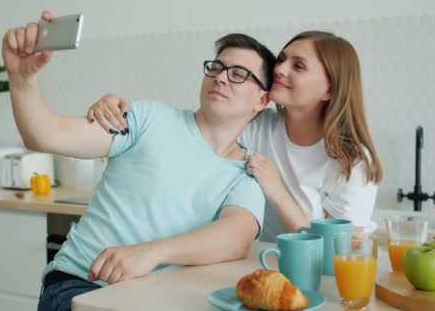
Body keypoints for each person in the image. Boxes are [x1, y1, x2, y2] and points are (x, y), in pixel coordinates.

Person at [2, 11, 277, 311]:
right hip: (80, 285)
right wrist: (21, 79)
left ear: (261, 101)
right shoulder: (148, 118)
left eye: (238, 74)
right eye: (216, 68)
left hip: (154, 299)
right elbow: (48, 135)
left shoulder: (248, 172)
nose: (221, 77)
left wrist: (151, 253)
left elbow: (234, 237)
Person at [86, 31, 383, 242]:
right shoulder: (256, 124)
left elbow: (336, 254)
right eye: (281, 59)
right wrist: (114, 108)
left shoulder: (351, 161)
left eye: (299, 66)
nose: (279, 69)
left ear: (330, 89)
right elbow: (192, 131)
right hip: (249, 267)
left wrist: (276, 189)